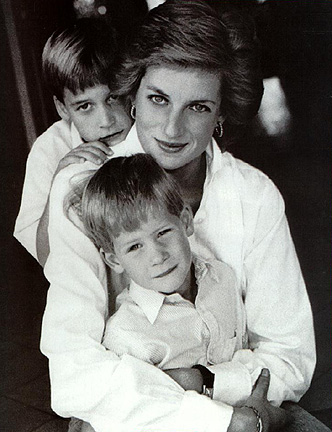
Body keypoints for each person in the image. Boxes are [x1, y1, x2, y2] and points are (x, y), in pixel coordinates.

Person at [41, 1, 316, 431]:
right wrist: (216, 419)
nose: (171, 129)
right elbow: (75, 373)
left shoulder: (254, 194)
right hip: (127, 418)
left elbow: (289, 356)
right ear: (132, 95)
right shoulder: (81, 188)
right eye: (158, 99)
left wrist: (204, 383)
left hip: (246, 408)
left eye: (198, 107)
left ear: (222, 113)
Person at [13, 17, 133, 266]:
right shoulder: (51, 149)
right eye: (85, 106)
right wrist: (60, 183)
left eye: (113, 97)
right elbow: (47, 258)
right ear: (62, 108)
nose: (106, 120)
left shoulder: (148, 128)